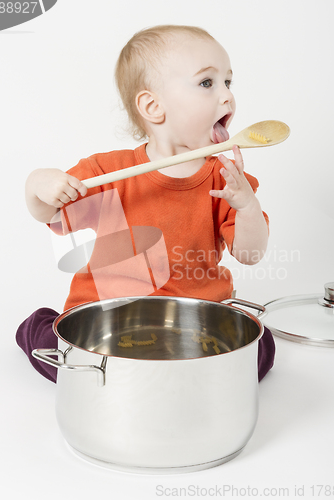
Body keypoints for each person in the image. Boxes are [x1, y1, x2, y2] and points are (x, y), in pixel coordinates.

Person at [17, 25, 275, 382]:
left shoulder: (227, 179)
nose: (227, 97)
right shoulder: (107, 171)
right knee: (57, 350)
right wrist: (38, 185)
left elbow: (250, 254)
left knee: (261, 347)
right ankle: (38, 327)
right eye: (207, 83)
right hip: (108, 319)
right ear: (153, 106)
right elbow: (50, 212)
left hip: (194, 325)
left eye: (228, 82)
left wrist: (246, 206)